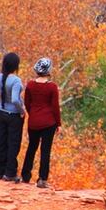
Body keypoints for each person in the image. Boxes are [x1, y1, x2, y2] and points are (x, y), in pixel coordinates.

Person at [20, 57, 60, 188]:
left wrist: (34, 114)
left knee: (32, 147)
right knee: (45, 150)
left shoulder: (30, 85)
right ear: (48, 70)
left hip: (34, 121)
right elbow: (55, 107)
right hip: (49, 122)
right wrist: (58, 123)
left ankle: (25, 176)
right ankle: (42, 179)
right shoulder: (52, 87)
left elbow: (27, 103)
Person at [0, 52, 25, 181]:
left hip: (1, 113)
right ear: (16, 66)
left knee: (1, 141)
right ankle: (10, 173)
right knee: (13, 143)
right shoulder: (16, 80)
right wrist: (22, 111)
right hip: (14, 115)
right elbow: (15, 100)